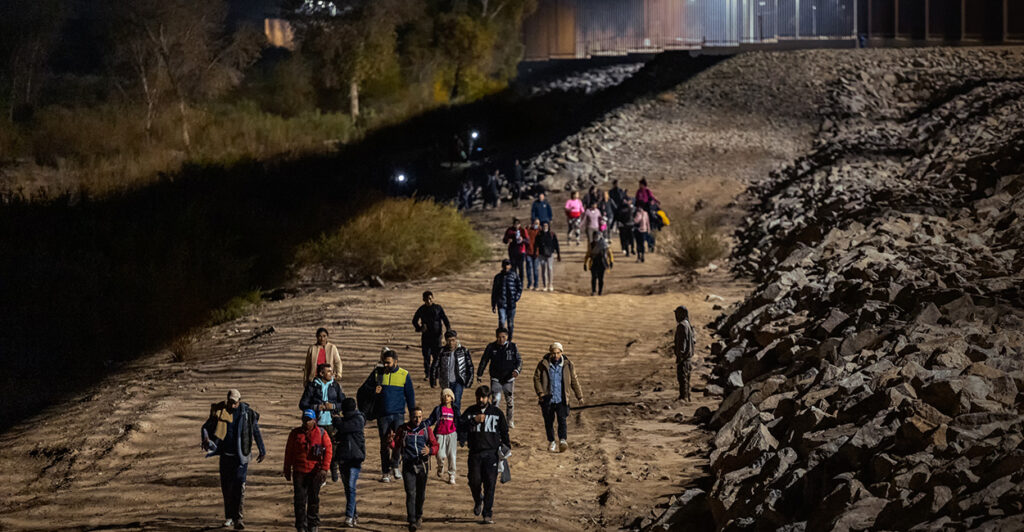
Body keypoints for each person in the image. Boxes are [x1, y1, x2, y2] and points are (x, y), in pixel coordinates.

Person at [201, 389, 266, 530]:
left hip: (241, 458)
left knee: (239, 487)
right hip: (225, 457)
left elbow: (255, 431)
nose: (232, 406)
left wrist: (262, 449)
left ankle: (239, 518)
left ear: (239, 401)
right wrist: (206, 438)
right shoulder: (219, 412)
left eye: (235, 403)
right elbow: (205, 427)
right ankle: (229, 517)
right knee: (227, 488)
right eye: (230, 402)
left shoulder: (248, 414)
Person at [357, 348, 415, 482]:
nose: (386, 365)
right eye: (384, 363)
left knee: (400, 442)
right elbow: (363, 390)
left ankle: (395, 465)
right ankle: (385, 471)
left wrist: (412, 413)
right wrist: (374, 390)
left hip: (399, 414)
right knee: (384, 443)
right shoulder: (378, 373)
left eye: (388, 363)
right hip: (382, 414)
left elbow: (410, 396)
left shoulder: (404, 374)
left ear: (396, 361)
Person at [458, 386, 510, 525]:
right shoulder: (470, 411)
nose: (481, 400)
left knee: (490, 484)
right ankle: (477, 500)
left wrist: (506, 448)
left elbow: (504, 432)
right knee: (474, 481)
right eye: (478, 397)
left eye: (484, 397)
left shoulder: (497, 413)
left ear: (488, 398)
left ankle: (487, 513)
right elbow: (460, 427)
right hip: (474, 453)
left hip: (491, 454)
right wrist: (473, 420)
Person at [389, 406, 439, 532]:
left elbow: (435, 445)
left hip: (422, 465)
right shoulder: (403, 429)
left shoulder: (426, 429)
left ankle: (419, 516)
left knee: (420, 494)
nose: (417, 419)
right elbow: (397, 445)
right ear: (410, 417)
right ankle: (411, 520)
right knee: (410, 493)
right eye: (415, 417)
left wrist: (430, 450)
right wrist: (390, 442)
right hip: (408, 466)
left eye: (420, 417)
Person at [284, 409, 332, 532]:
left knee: (313, 499)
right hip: (299, 472)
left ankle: (313, 524)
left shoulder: (322, 433)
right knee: (299, 501)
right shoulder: (295, 434)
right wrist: (287, 469)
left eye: (309, 420)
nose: (306, 422)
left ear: (314, 420)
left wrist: (324, 469)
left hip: (315, 472)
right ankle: (300, 525)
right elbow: (288, 452)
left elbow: (329, 451)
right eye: (305, 420)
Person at [533, 342, 584, 453]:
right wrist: (540, 393)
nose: (555, 355)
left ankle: (562, 440)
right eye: (553, 353)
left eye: (558, 353)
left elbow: (574, 381)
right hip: (547, 399)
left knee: (562, 420)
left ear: (561, 352)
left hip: (562, 398)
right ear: (550, 353)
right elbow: (536, 378)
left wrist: (579, 396)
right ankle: (551, 441)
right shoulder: (543, 364)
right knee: (549, 421)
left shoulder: (568, 365)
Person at [299, 364, 345, 481]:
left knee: (334, 448)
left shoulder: (335, 386)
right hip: (317, 423)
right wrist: (316, 407)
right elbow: (303, 404)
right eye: (329, 371)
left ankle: (333, 467)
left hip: (331, 422)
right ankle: (319, 473)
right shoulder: (312, 386)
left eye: (332, 371)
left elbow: (344, 403)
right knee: (317, 449)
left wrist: (333, 406)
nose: (332, 374)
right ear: (321, 373)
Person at [478, 327, 522, 429]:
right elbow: (484, 360)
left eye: (503, 337)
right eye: (499, 337)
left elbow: (519, 360)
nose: (501, 339)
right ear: (496, 337)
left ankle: (509, 420)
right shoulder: (491, 347)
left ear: (507, 336)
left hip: (509, 379)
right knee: (495, 400)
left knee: (509, 401)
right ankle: (494, 420)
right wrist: (479, 373)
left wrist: (517, 370)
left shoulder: (513, 347)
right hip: (496, 378)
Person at [333, 398, 365, 528]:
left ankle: (349, 516)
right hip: (344, 458)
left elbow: (344, 427)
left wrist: (336, 420)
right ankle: (354, 514)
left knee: (351, 487)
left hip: (354, 459)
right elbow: (340, 434)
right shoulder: (346, 420)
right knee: (348, 489)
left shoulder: (358, 420)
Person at [430, 330, 475, 413]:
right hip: (446, 382)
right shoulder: (441, 351)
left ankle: (457, 422)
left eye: (453, 340)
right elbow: (434, 366)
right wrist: (433, 380)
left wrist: (469, 381)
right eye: (449, 340)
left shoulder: (463, 351)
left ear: (456, 339)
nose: (451, 343)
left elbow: (470, 366)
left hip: (458, 381)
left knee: (456, 403)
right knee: (446, 403)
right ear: (446, 341)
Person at [411, 291, 452, 380]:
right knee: (426, 356)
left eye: (430, 298)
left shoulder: (438, 308)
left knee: (437, 356)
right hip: (426, 337)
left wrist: (448, 331)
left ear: (433, 298)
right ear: (423, 300)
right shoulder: (421, 309)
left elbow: (445, 320)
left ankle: (436, 374)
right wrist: (420, 328)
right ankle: (428, 374)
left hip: (437, 336)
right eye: (426, 299)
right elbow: (414, 320)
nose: (428, 301)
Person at [426, 388, 459, 485]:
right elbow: (431, 420)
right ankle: (440, 466)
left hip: (452, 434)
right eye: (444, 396)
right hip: (440, 434)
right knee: (440, 455)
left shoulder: (455, 410)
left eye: (448, 396)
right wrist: (423, 425)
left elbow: (459, 422)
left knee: (452, 455)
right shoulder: (438, 409)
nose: (446, 398)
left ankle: (452, 474)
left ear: (452, 398)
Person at [491, 259, 522, 339]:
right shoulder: (498, 277)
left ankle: (509, 340)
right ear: (502, 266)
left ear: (510, 266)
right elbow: (494, 291)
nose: (506, 266)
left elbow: (519, 287)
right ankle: (500, 340)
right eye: (505, 265)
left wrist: (516, 297)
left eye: (508, 264)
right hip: (501, 303)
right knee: (501, 322)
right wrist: (493, 304)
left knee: (510, 324)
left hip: (511, 304)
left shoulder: (514, 275)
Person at [674, 306, 696, 402]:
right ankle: (687, 397)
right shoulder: (688, 324)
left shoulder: (681, 326)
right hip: (689, 358)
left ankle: (684, 398)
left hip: (684, 358)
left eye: (677, 314)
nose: (675, 316)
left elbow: (682, 344)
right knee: (686, 378)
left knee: (683, 378)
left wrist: (680, 356)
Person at [534, 221, 561, 292]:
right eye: (544, 225)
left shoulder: (552, 234)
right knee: (543, 270)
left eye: (546, 225)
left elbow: (556, 244)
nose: (545, 227)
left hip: (550, 254)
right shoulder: (539, 234)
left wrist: (558, 254)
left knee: (550, 268)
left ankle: (550, 284)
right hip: (541, 254)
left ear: (548, 226)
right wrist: (535, 253)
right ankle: (545, 285)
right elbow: (536, 244)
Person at [502, 218, 530, 283]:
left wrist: (522, 240)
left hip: (521, 251)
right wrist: (508, 240)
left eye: (518, 224)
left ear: (520, 224)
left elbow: (527, 241)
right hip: (512, 251)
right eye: (515, 224)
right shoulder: (509, 230)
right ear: (513, 224)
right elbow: (504, 240)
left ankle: (521, 282)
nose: (516, 226)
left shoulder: (523, 230)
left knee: (521, 267)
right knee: (513, 267)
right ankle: (514, 281)